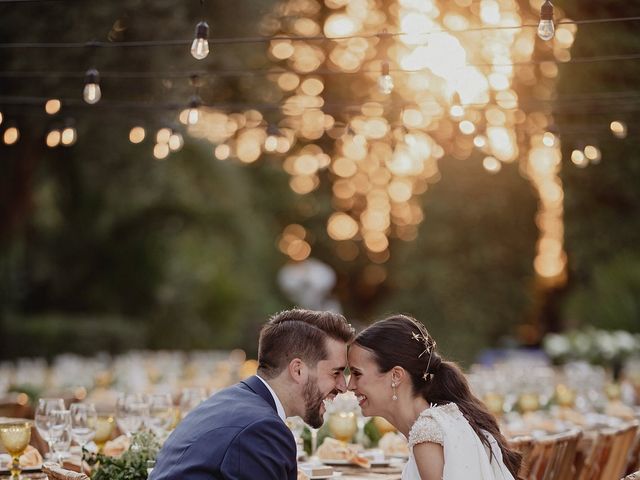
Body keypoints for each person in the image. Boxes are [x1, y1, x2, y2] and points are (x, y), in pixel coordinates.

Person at [151, 308, 355, 480]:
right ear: (298, 370)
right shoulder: (262, 430)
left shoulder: (229, 402)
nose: (343, 386)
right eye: (336, 372)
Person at [347, 314, 521, 480]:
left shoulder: (426, 434)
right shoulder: (440, 421)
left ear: (396, 376)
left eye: (356, 373)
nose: (349, 385)